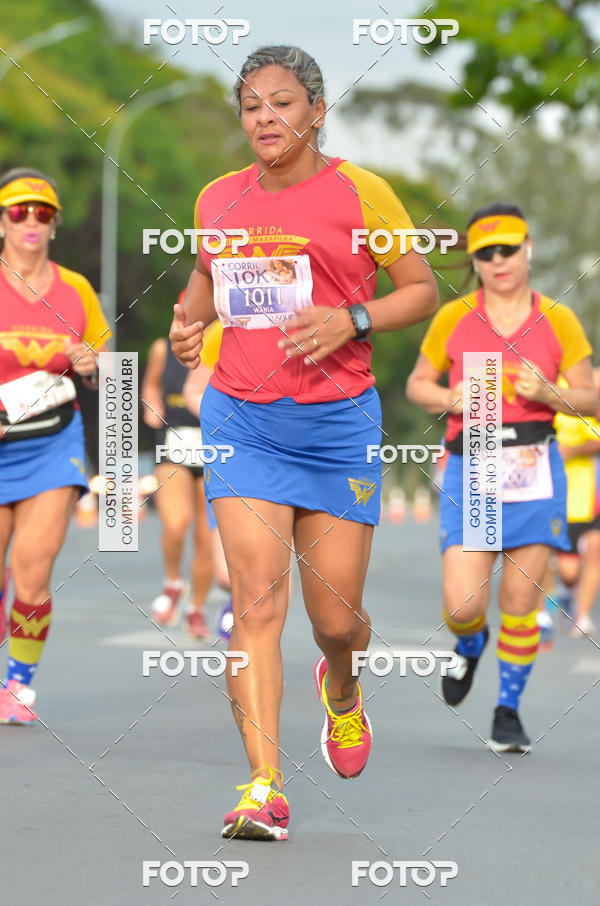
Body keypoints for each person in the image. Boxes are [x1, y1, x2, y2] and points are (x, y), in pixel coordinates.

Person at [169, 45, 439, 841]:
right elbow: (206, 284)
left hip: (335, 425)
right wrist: (191, 330)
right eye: (251, 106)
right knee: (255, 601)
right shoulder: (218, 198)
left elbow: (420, 291)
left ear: (316, 112)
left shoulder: (363, 193)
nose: (265, 119)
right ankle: (264, 786)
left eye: (282, 103)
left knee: (334, 619)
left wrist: (349, 319)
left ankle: (344, 686)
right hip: (242, 419)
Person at [406, 202, 597, 753]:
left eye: (507, 249)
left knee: (519, 599)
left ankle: (508, 710)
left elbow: (591, 397)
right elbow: (417, 384)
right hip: (473, 464)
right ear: (474, 261)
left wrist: (550, 393)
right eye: (484, 254)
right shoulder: (454, 317)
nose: (498, 261)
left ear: (527, 249)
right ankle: (470, 643)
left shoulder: (558, 320)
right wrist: (447, 397)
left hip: (535, 470)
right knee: (465, 604)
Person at [0, 167, 111, 724]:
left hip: (51, 445)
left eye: (42, 212)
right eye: (19, 211)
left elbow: (110, 375)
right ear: (2, 220)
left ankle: (18, 683)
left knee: (32, 571)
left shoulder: (76, 291)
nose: (30, 222)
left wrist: (93, 367)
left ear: (55, 223)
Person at [141, 309, 223, 638]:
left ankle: (196, 608)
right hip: (173, 442)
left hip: (213, 447)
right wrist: (152, 409)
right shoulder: (164, 348)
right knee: (176, 524)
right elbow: (150, 387)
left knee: (205, 538)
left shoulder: (222, 343)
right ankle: (173, 582)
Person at [554, 371, 600, 638]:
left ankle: (582, 615)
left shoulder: (583, 384)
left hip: (590, 491)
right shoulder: (545, 384)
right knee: (568, 572)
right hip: (561, 495)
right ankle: (569, 593)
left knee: (595, 547)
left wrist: (573, 450)